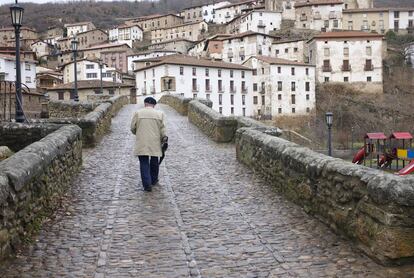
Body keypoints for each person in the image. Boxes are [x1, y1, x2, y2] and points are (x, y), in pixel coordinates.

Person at [130, 97, 166, 192]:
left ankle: (147, 184)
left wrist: (138, 133)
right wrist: (164, 138)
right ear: (154, 105)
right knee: (154, 161)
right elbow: (163, 130)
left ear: (145, 104)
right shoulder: (160, 114)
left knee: (144, 162)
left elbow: (132, 128)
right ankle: (153, 180)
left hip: (142, 141)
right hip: (155, 141)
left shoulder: (138, 113)